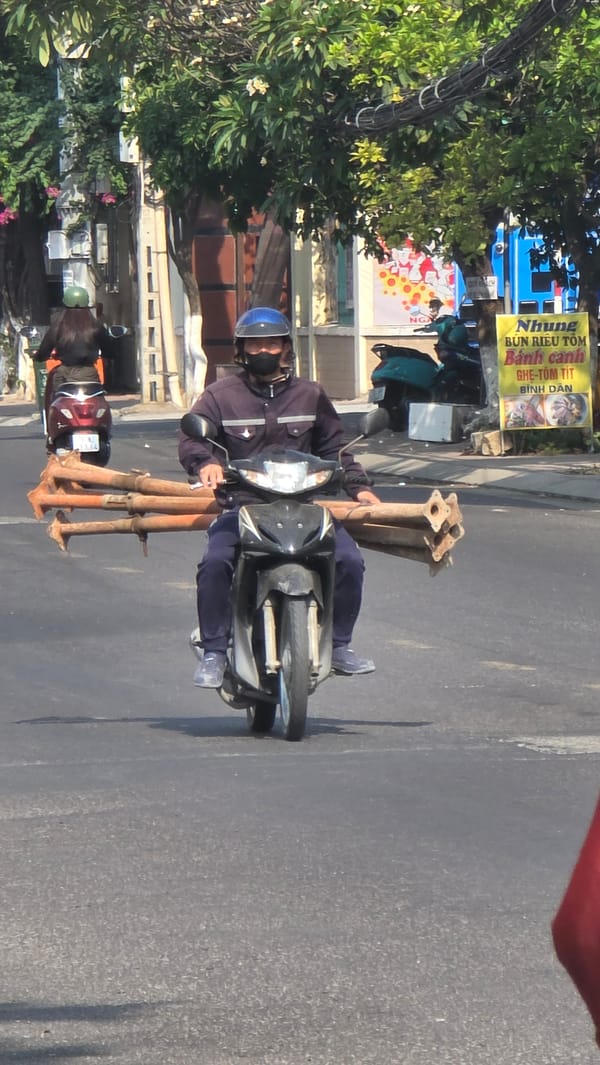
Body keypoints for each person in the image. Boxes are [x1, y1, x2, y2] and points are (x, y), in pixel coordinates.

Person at [178, 306, 381, 689]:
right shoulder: (220, 396)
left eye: (271, 343)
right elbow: (191, 438)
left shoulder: (310, 395)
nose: (264, 351)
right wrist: (205, 463)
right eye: (255, 344)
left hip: (305, 506)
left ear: (286, 348)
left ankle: (339, 647)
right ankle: (214, 652)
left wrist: (361, 487)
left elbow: (336, 448)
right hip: (242, 506)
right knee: (216, 562)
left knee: (350, 560)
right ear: (241, 350)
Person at [32, 286, 115, 425]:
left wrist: (38, 356)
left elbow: (45, 349)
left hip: (64, 375)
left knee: (56, 402)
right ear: (87, 304)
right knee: (98, 400)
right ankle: (102, 429)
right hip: (89, 374)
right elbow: (110, 350)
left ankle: (52, 433)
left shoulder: (59, 326)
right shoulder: (95, 326)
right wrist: (107, 358)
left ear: (65, 304)